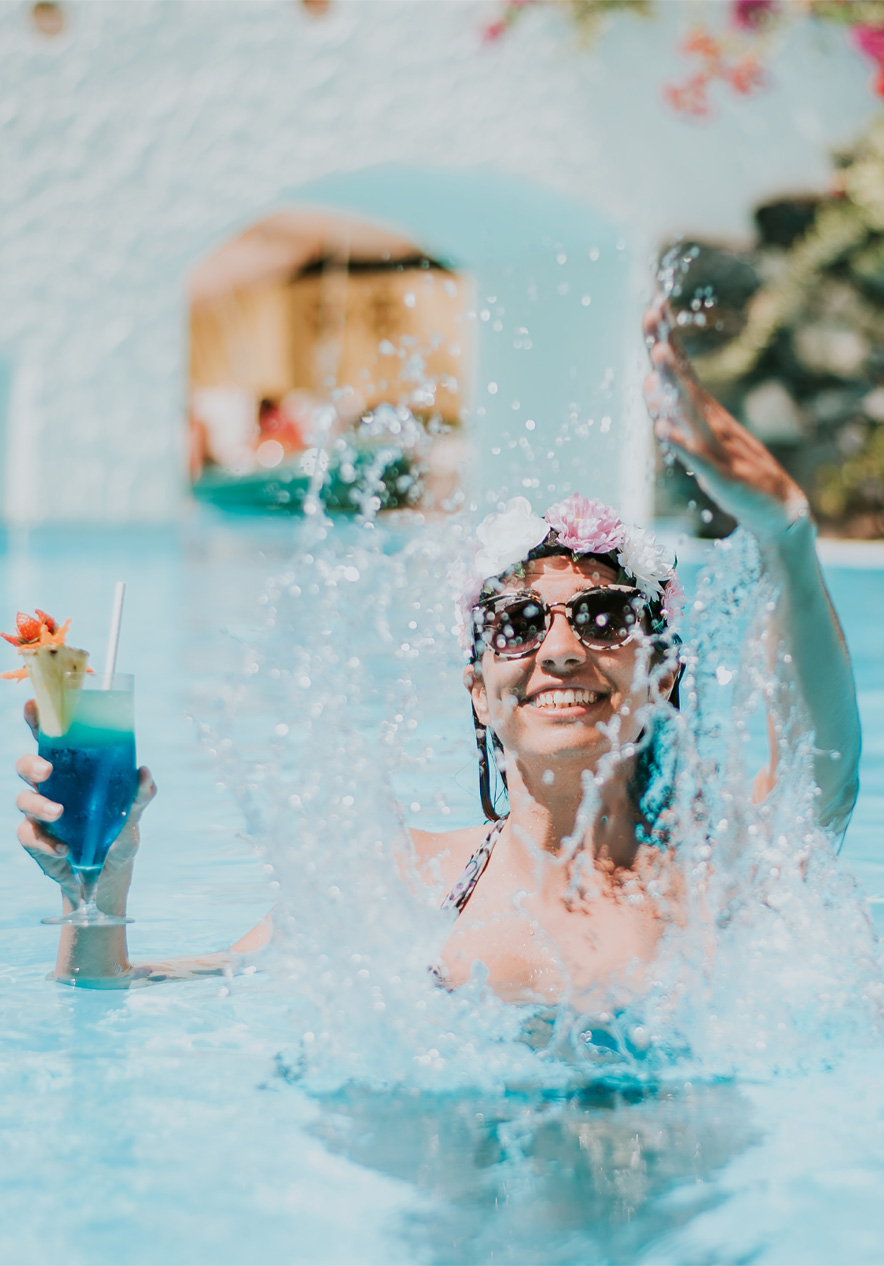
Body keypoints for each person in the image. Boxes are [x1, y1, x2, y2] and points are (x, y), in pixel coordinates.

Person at [13, 298, 861, 995]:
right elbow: (116, 995)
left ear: (661, 671)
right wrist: (99, 896)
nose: (561, 650)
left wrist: (786, 535)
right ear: (479, 689)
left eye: (602, 618)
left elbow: (824, 763)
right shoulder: (403, 885)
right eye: (520, 626)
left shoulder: (714, 876)